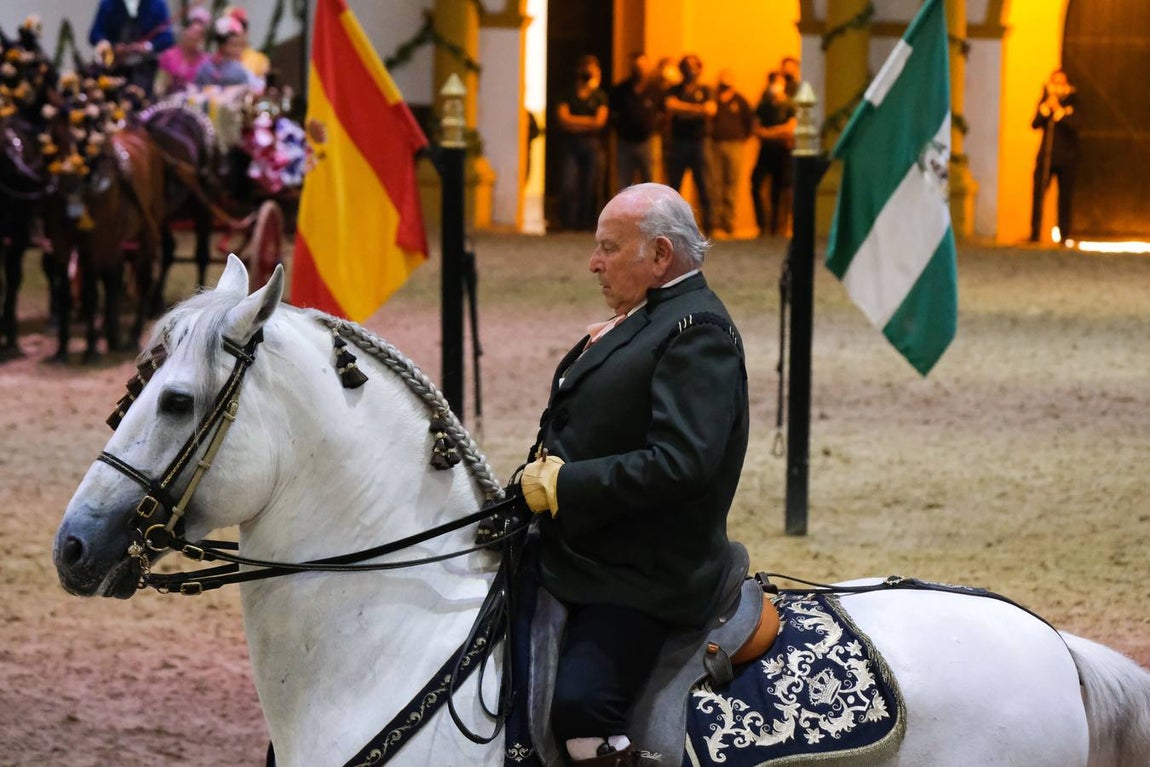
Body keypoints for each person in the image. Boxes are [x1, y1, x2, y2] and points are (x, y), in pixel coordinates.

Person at [519, 182, 750, 766]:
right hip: (590, 546)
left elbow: (682, 463)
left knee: (580, 706)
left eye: (609, 247)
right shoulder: (649, 316)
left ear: (660, 255)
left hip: (645, 569)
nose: (593, 263)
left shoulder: (697, 331)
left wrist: (565, 486)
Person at [554, 54, 609, 231]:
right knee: (568, 183)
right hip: (571, 145)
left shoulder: (600, 96)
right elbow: (563, 120)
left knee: (591, 184)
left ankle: (586, 222)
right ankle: (568, 222)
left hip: (592, 145)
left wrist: (574, 122)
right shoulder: (567, 94)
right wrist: (588, 122)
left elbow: (599, 122)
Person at [663, 54, 716, 234]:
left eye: (693, 66)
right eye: (686, 66)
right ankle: (670, 227)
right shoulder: (674, 89)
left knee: (705, 186)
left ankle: (709, 227)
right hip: (678, 143)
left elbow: (710, 110)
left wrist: (683, 109)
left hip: (699, 143)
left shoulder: (707, 89)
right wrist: (697, 110)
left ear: (700, 69)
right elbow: (670, 106)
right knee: (673, 187)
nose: (690, 70)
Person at [1029, 68, 1078, 244]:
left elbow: (1074, 126)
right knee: (1038, 195)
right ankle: (1035, 233)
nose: (1057, 86)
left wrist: (1058, 110)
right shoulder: (1045, 101)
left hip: (1066, 159)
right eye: (1055, 82)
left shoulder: (1073, 102)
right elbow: (1035, 124)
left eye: (1061, 82)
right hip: (1046, 157)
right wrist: (1045, 109)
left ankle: (1064, 234)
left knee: (1065, 198)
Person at [88, 0, 175, 96]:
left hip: (145, 70)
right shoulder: (108, 3)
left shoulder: (157, 4)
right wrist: (112, 46)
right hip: (113, 69)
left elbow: (167, 38)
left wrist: (147, 46)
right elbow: (95, 34)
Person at [750, 71, 797, 237]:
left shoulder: (790, 105)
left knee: (779, 190)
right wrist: (777, 131)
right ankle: (763, 225)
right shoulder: (763, 106)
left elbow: (790, 129)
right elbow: (756, 130)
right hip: (766, 152)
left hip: (783, 152)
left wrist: (768, 132)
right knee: (756, 183)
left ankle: (778, 228)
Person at [708, 69, 754, 237]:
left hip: (735, 145)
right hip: (715, 145)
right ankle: (716, 222)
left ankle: (729, 222)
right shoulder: (714, 99)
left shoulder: (740, 100)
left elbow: (749, 122)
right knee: (716, 183)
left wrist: (742, 138)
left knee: (731, 183)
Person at [608, 52, 663, 191]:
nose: (640, 70)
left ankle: (651, 213)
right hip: (625, 144)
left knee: (650, 183)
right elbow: (613, 114)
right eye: (637, 66)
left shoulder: (655, 90)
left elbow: (664, 113)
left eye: (643, 66)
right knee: (624, 184)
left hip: (647, 143)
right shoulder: (621, 89)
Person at [155, 6, 210, 95]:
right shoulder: (168, 55)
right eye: (192, 31)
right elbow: (159, 85)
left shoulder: (206, 61)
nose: (194, 37)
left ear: (203, 39)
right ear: (185, 31)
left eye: (200, 34)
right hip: (170, 102)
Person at [194, 15, 251, 88]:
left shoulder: (239, 69)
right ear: (222, 44)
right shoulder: (206, 66)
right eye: (234, 44)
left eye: (240, 45)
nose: (238, 49)